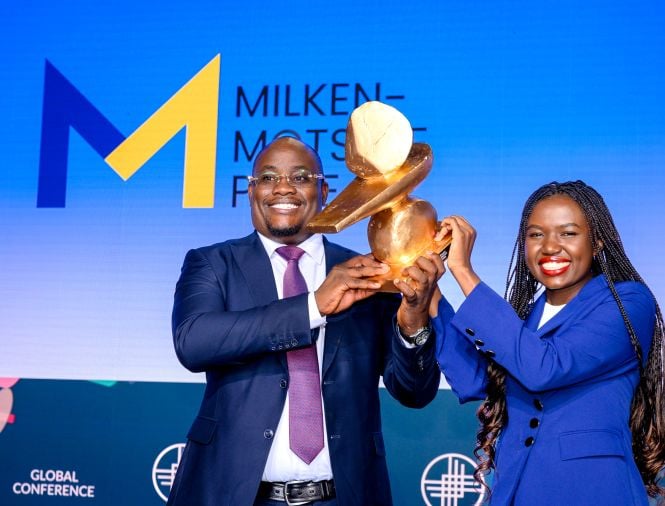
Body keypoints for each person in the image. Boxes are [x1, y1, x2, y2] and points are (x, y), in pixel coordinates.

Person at [167, 136, 443, 506]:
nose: (282, 187)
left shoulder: (370, 272)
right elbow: (194, 343)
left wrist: (413, 319)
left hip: (343, 496)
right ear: (250, 192)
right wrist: (313, 306)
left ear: (325, 190)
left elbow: (412, 391)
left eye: (300, 177)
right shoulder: (213, 263)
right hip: (234, 494)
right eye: (267, 178)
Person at [432, 181, 665, 505]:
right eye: (536, 234)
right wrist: (430, 297)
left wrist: (462, 271)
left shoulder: (628, 303)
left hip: (594, 493)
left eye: (568, 233)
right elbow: (477, 380)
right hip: (518, 490)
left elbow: (546, 367)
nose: (550, 247)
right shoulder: (526, 318)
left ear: (597, 241)